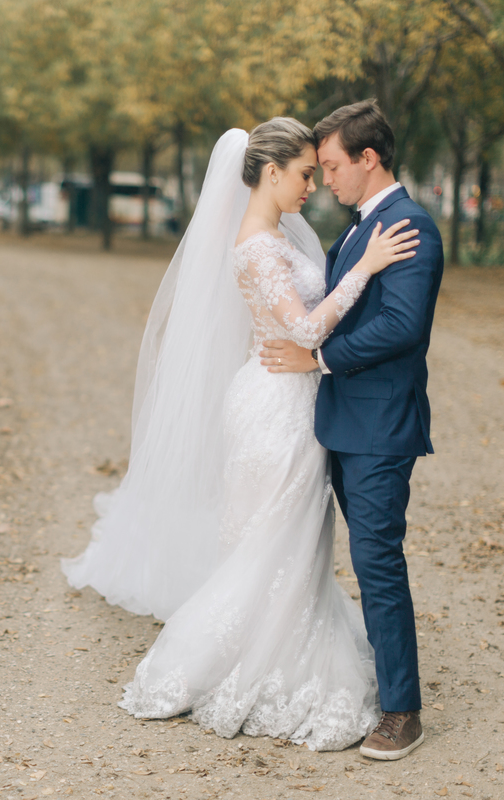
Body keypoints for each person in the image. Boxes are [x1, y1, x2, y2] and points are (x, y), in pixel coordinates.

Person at [62, 115, 421, 751]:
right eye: (306, 173)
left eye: (320, 171)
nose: (313, 184)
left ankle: (287, 642)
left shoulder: (278, 235)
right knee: (267, 539)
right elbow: (306, 332)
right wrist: (364, 266)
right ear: (272, 171)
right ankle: (235, 661)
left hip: (297, 398)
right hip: (276, 403)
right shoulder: (256, 245)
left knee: (292, 538)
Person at [260, 100, 444, 759]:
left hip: (380, 429)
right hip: (337, 421)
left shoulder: (410, 226)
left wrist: (319, 358)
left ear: (370, 159)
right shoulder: (361, 226)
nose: (325, 179)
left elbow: (403, 328)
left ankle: (402, 711)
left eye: (333, 165)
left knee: (377, 563)